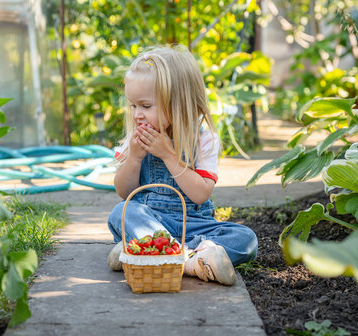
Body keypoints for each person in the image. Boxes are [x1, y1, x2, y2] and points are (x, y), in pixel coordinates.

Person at [106, 45, 258, 286]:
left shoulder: (202, 140)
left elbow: (200, 194)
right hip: (152, 220)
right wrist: (134, 158)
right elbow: (124, 192)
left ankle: (144, 253)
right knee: (121, 212)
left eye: (146, 106)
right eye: (133, 106)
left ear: (178, 103)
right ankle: (191, 262)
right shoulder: (137, 140)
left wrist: (168, 155)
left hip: (196, 227)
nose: (137, 115)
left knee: (246, 238)